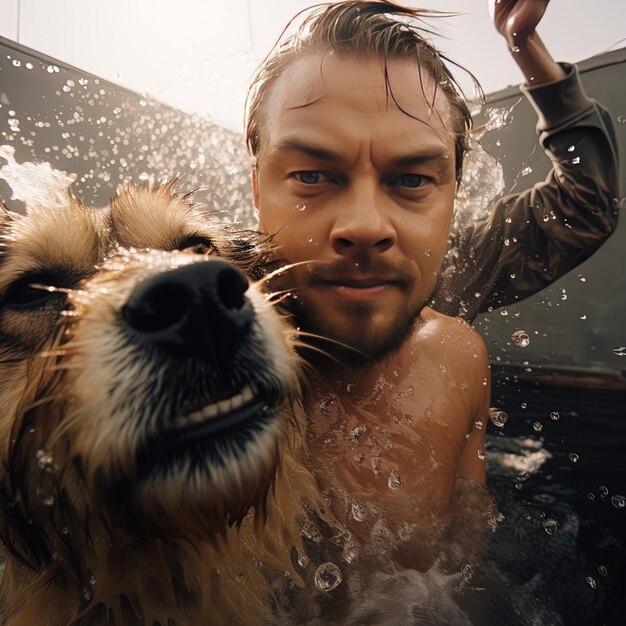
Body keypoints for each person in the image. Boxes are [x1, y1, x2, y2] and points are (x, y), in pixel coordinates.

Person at [244, 0, 619, 569]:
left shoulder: (457, 288)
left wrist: (524, 46)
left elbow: (586, 203)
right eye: (313, 175)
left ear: (453, 195)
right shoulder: (203, 337)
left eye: (412, 179)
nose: (366, 226)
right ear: (257, 187)